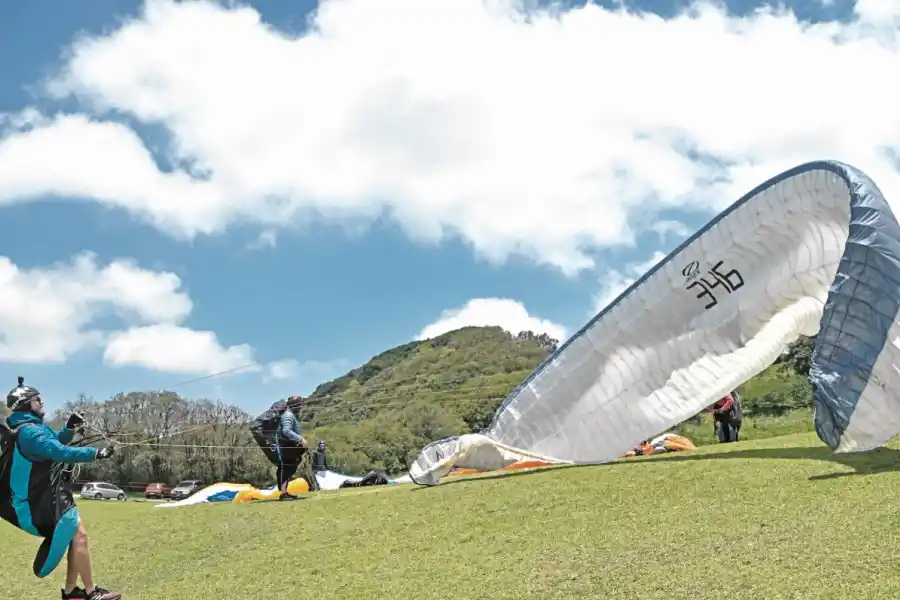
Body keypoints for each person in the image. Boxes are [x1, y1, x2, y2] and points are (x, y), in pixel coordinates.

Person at [0, 377, 118, 600]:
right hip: (34, 506)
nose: (42, 403)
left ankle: (72, 591)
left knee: (79, 535)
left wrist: (69, 428)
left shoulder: (31, 429)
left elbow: (57, 441)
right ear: (26, 404)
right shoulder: (30, 433)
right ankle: (91, 593)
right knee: (77, 532)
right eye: (37, 400)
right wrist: (95, 453)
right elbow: (59, 451)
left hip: (39, 498)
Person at [275, 396, 309, 500]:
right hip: (286, 447)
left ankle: (284, 492)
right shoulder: (288, 416)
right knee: (287, 468)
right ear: (294, 405)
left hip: (289, 446)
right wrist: (301, 440)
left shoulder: (290, 415)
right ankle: (283, 493)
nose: (301, 406)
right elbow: (286, 431)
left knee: (290, 467)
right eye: (299, 404)